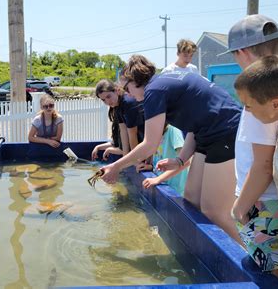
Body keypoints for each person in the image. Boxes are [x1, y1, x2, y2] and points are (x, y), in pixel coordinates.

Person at [101, 54, 242, 241]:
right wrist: (180, 160)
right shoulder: (163, 83)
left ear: (137, 81)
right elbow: (194, 127)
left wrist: (116, 166)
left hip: (226, 132)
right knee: (191, 200)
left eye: (127, 89)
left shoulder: (154, 90)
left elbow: (150, 144)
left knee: (214, 211)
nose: (128, 95)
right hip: (206, 134)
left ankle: (248, 263)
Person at [223, 14, 278, 281]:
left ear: (242, 53)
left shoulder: (259, 95)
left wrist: (240, 207)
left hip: (264, 202)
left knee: (271, 272)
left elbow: (263, 165)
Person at [91, 79, 145, 160]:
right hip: (138, 144)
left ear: (116, 91)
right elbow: (123, 131)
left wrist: (135, 160)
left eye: (108, 96)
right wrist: (125, 158)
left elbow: (132, 134)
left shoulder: (128, 103)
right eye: (103, 100)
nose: (107, 102)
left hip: (147, 142)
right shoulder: (117, 105)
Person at [139, 123, 189, 196]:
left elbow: (185, 161)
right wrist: (151, 167)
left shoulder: (173, 130)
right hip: (162, 184)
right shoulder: (156, 132)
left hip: (175, 189)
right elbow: (160, 156)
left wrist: (158, 179)